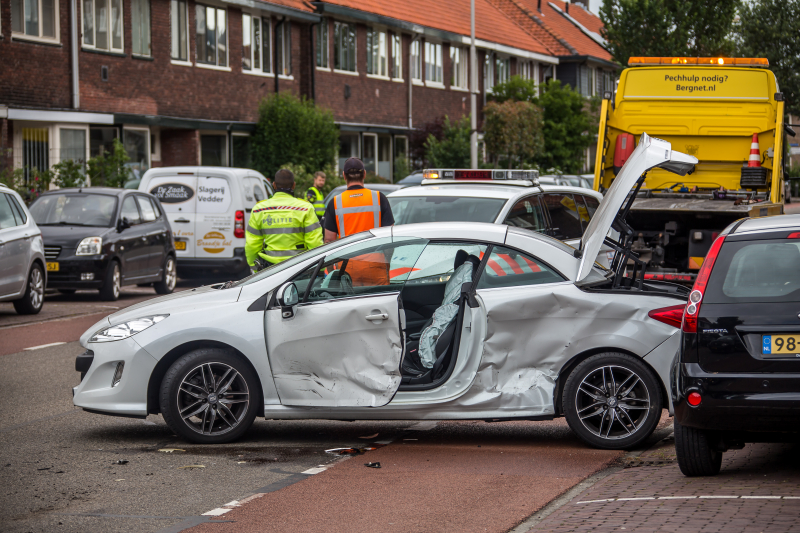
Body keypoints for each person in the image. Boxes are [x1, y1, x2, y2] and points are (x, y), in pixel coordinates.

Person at [323, 158, 395, 285]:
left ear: (344, 176)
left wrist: (330, 271)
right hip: (376, 263)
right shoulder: (379, 198)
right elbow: (390, 236)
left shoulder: (335, 202)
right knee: (378, 303)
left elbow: (329, 240)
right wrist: (386, 264)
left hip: (346, 266)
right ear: (365, 174)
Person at [245, 169, 322, 272]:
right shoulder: (305, 208)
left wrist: (255, 269)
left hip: (269, 270)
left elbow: (251, 245)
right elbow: (315, 243)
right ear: (294, 185)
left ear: (274, 185)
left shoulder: (259, 209)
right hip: (299, 269)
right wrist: (320, 269)